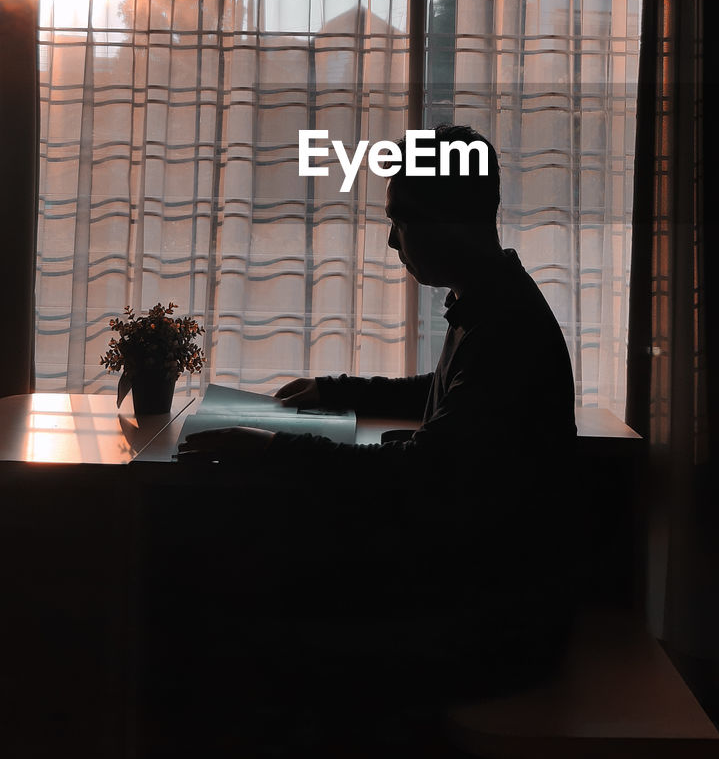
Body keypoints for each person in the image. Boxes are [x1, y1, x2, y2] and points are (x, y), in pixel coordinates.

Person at [178, 124, 578, 700]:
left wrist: (271, 446)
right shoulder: (494, 299)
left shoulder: (503, 326)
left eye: (402, 220)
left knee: (258, 593)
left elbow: (425, 473)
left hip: (496, 620)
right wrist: (341, 389)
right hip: (495, 586)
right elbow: (445, 392)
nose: (393, 241)